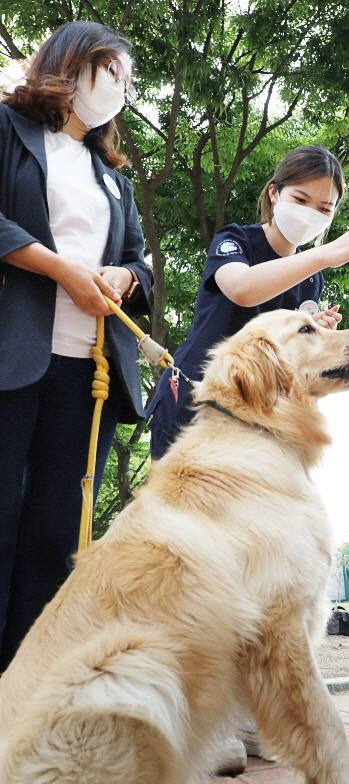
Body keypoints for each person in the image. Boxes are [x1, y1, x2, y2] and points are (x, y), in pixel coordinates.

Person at [0, 21, 152, 671]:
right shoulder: (7, 132)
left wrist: (120, 276)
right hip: (11, 357)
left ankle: (24, 682)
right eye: (109, 70)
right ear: (71, 63)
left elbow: (139, 264)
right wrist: (63, 269)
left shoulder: (112, 176)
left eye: (127, 79)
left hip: (84, 372)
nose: (119, 86)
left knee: (54, 532)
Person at [149, 145, 349, 459]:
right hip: (197, 396)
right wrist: (323, 256)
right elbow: (241, 288)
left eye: (324, 209)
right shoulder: (236, 240)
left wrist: (312, 332)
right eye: (301, 200)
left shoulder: (312, 279)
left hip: (256, 417)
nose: (310, 214)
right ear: (275, 193)